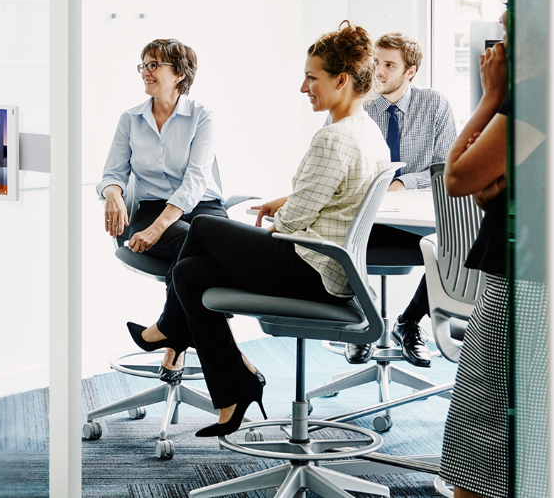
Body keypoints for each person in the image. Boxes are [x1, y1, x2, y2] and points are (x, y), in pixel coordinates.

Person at [134, 21, 392, 436]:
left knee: (202, 225)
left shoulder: (334, 138)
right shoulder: (367, 131)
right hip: (332, 267)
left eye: (312, 77)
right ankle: (235, 389)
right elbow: (335, 197)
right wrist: (286, 201)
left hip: (309, 267)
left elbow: (290, 225)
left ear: (341, 80)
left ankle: (169, 327)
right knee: (188, 273)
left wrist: (280, 213)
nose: (303, 87)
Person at [98, 39, 226, 382]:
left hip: (202, 208)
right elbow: (112, 174)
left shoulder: (202, 116)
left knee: (193, 247)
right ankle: (232, 356)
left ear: (179, 74)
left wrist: (157, 229)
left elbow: (196, 181)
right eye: (143, 64)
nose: (146, 71)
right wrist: (112, 194)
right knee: (203, 254)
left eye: (154, 65)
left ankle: (169, 334)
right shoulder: (131, 119)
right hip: (151, 208)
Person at [331, 32, 456, 367]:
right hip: (363, 219)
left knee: (456, 244)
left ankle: (409, 322)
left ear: (410, 72)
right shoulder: (355, 102)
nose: (378, 71)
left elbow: (445, 168)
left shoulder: (435, 104)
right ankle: (361, 321)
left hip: (415, 222)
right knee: (337, 238)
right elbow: (334, 164)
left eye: (389, 64)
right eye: (375, 62)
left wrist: (400, 182)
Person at [438, 30, 510, 498]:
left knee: (482, 414)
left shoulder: (531, 102)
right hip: (522, 263)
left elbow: (458, 177)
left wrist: (492, 98)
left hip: (517, 275)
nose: (496, 47)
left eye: (506, 32)